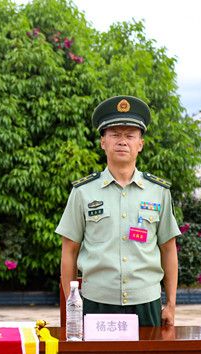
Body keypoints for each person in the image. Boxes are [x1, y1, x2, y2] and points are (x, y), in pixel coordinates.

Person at [55, 95, 180, 327]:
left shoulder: (158, 191)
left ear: (140, 144)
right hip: (96, 302)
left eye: (130, 136)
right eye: (115, 134)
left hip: (146, 302)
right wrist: (74, 305)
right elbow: (69, 251)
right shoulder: (83, 192)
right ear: (103, 142)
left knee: (147, 353)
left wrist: (171, 304)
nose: (122, 141)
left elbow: (168, 248)